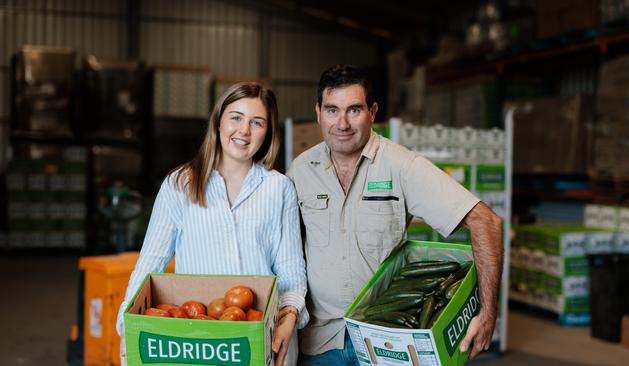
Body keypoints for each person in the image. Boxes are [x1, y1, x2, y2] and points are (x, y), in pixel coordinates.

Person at [287, 65, 503, 365]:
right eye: (332, 110)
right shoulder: (300, 171)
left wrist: (487, 313)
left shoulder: (401, 166)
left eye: (354, 110)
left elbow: (486, 221)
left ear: (372, 112)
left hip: (386, 342)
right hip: (320, 343)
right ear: (318, 113)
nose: (342, 123)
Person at [115, 82, 307, 366]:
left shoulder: (280, 189)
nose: (244, 131)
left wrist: (289, 318)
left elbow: (291, 268)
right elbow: (150, 264)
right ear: (218, 121)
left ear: (268, 132)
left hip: (262, 336)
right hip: (199, 338)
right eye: (236, 118)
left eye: (257, 122)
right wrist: (126, 326)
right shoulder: (181, 184)